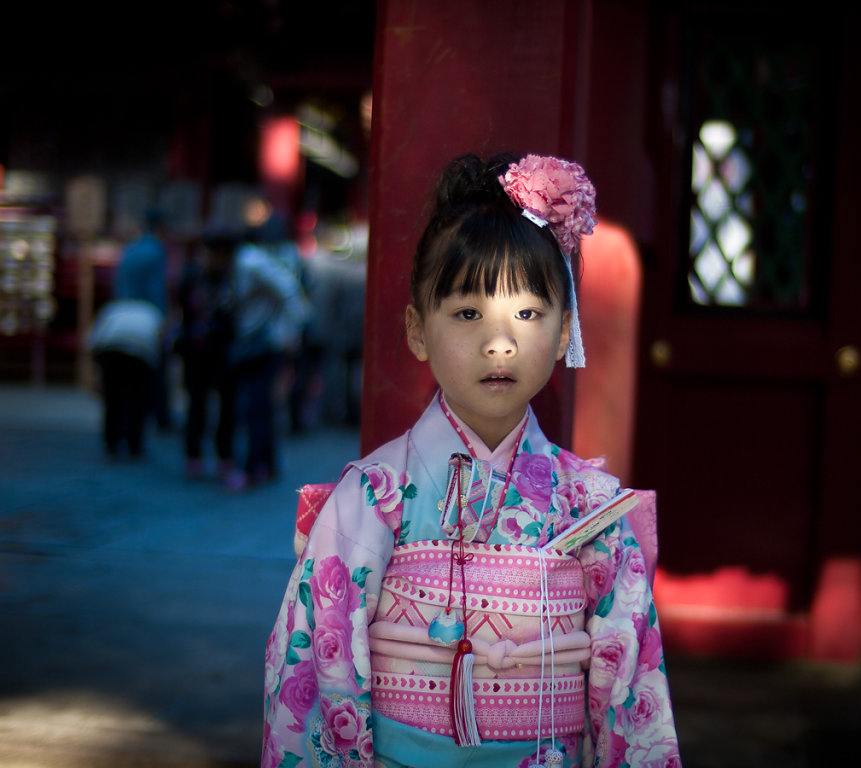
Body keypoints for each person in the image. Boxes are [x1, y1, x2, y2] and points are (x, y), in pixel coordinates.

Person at [262, 153, 681, 767]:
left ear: (565, 331)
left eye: (530, 314)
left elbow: (629, 684)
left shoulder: (590, 506)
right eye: (467, 313)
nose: (500, 340)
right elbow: (317, 664)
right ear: (417, 329)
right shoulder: (374, 496)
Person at [228, 222, 311, 488]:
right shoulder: (263, 259)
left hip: (261, 344)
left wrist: (289, 331)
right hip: (265, 342)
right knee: (262, 405)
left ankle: (255, 467)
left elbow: (289, 292)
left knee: (255, 406)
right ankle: (266, 464)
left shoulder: (248, 262)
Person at [174, 230, 238, 480]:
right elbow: (183, 310)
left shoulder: (232, 279)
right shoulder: (193, 276)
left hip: (223, 351)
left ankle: (224, 456)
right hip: (196, 351)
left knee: (226, 409)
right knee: (196, 406)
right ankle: (194, 456)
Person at [115, 207, 172, 429]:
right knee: (154, 369)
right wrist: (163, 317)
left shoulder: (131, 248)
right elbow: (156, 288)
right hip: (146, 315)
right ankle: (159, 415)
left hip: (123, 312)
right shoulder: (156, 250)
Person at [87, 297, 164, 459]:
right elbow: (162, 341)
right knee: (138, 401)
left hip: (111, 349)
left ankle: (111, 443)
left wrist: (95, 374)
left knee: (112, 400)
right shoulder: (152, 311)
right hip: (141, 352)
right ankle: (134, 444)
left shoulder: (112, 308)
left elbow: (94, 340)